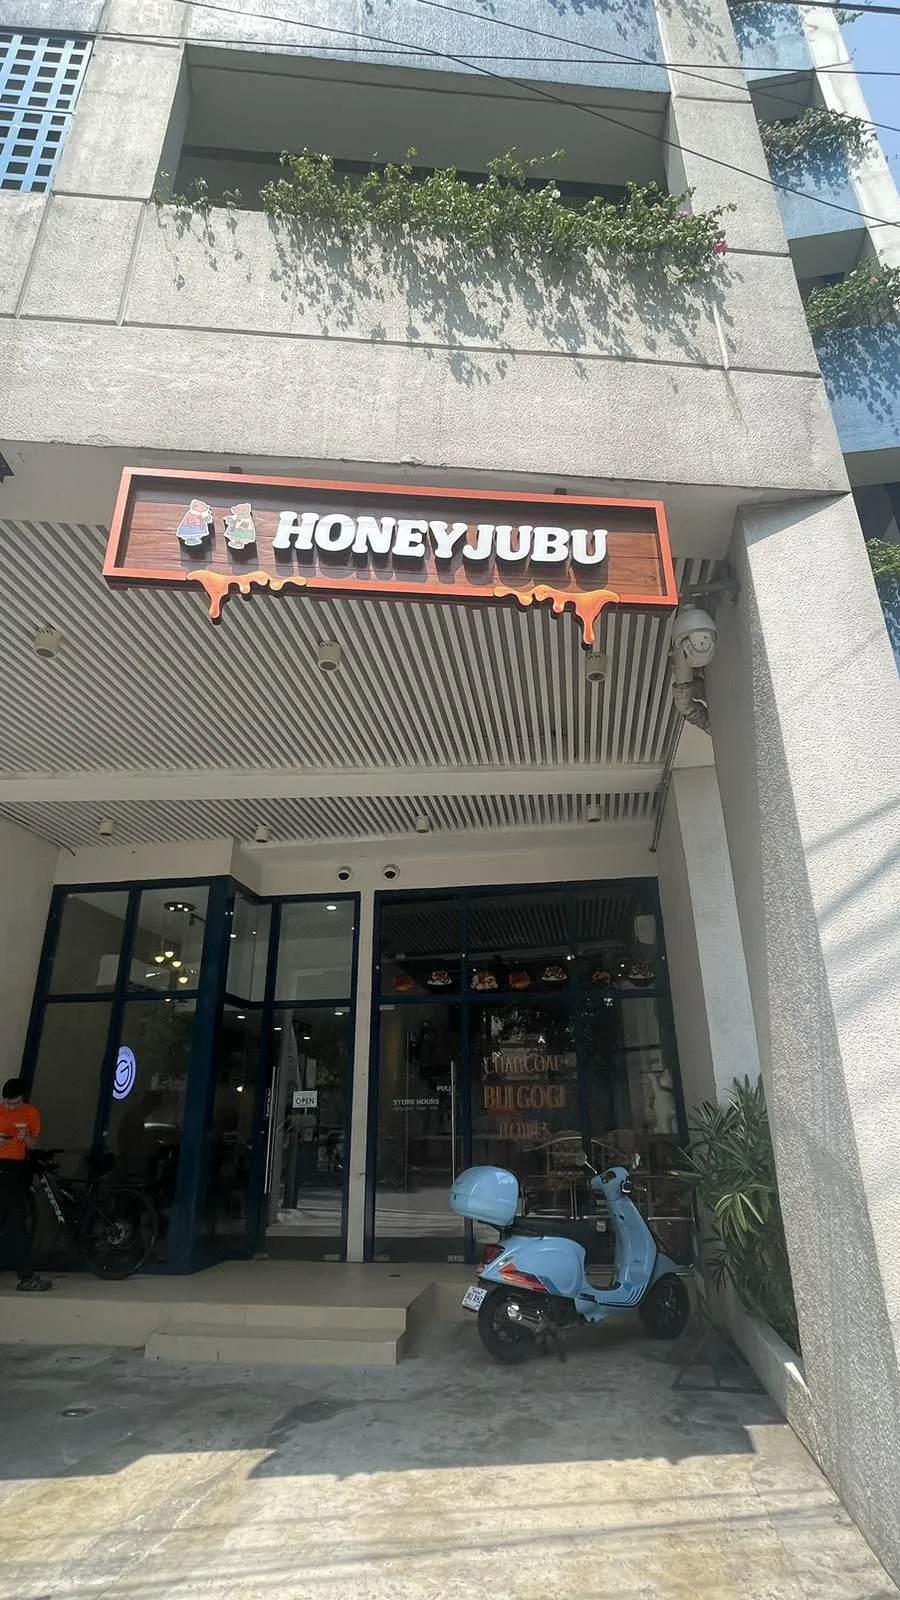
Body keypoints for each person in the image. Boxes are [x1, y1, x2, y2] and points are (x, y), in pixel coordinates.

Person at [0, 1077, 51, 1291]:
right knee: (15, 1221)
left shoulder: (31, 1113)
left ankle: (25, 1275)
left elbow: (34, 1143)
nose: (12, 1107)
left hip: (17, 1168)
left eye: (16, 1103)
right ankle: (25, 1276)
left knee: (16, 1220)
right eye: (8, 1103)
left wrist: (26, 1137)